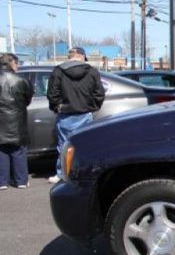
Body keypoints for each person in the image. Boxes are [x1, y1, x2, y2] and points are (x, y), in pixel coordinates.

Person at [46, 47, 105, 184]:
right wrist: (93, 107)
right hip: (85, 113)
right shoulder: (91, 71)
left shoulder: (59, 71)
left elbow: (52, 93)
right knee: (86, 144)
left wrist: (56, 107)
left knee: (64, 145)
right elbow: (99, 93)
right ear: (82, 56)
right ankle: (86, 172)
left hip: (65, 114)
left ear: (69, 56)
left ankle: (62, 173)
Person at [0, 53, 33, 190]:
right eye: (16, 63)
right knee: (18, 151)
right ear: (12, 63)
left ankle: (2, 181)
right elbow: (28, 99)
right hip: (17, 120)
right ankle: (21, 181)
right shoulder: (21, 80)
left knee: (1, 151)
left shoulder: (20, 80)